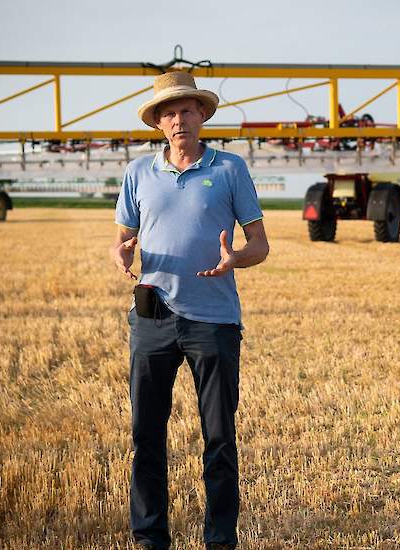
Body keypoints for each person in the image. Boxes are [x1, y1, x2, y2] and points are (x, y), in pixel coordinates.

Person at [110, 71, 269, 550]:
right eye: (169, 113)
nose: (179, 120)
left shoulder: (230, 169)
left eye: (187, 110)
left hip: (214, 321)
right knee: (147, 438)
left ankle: (220, 540)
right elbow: (121, 240)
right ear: (159, 123)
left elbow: (259, 244)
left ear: (202, 115)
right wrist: (120, 254)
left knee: (219, 439)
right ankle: (150, 537)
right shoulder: (138, 173)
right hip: (151, 318)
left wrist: (235, 258)